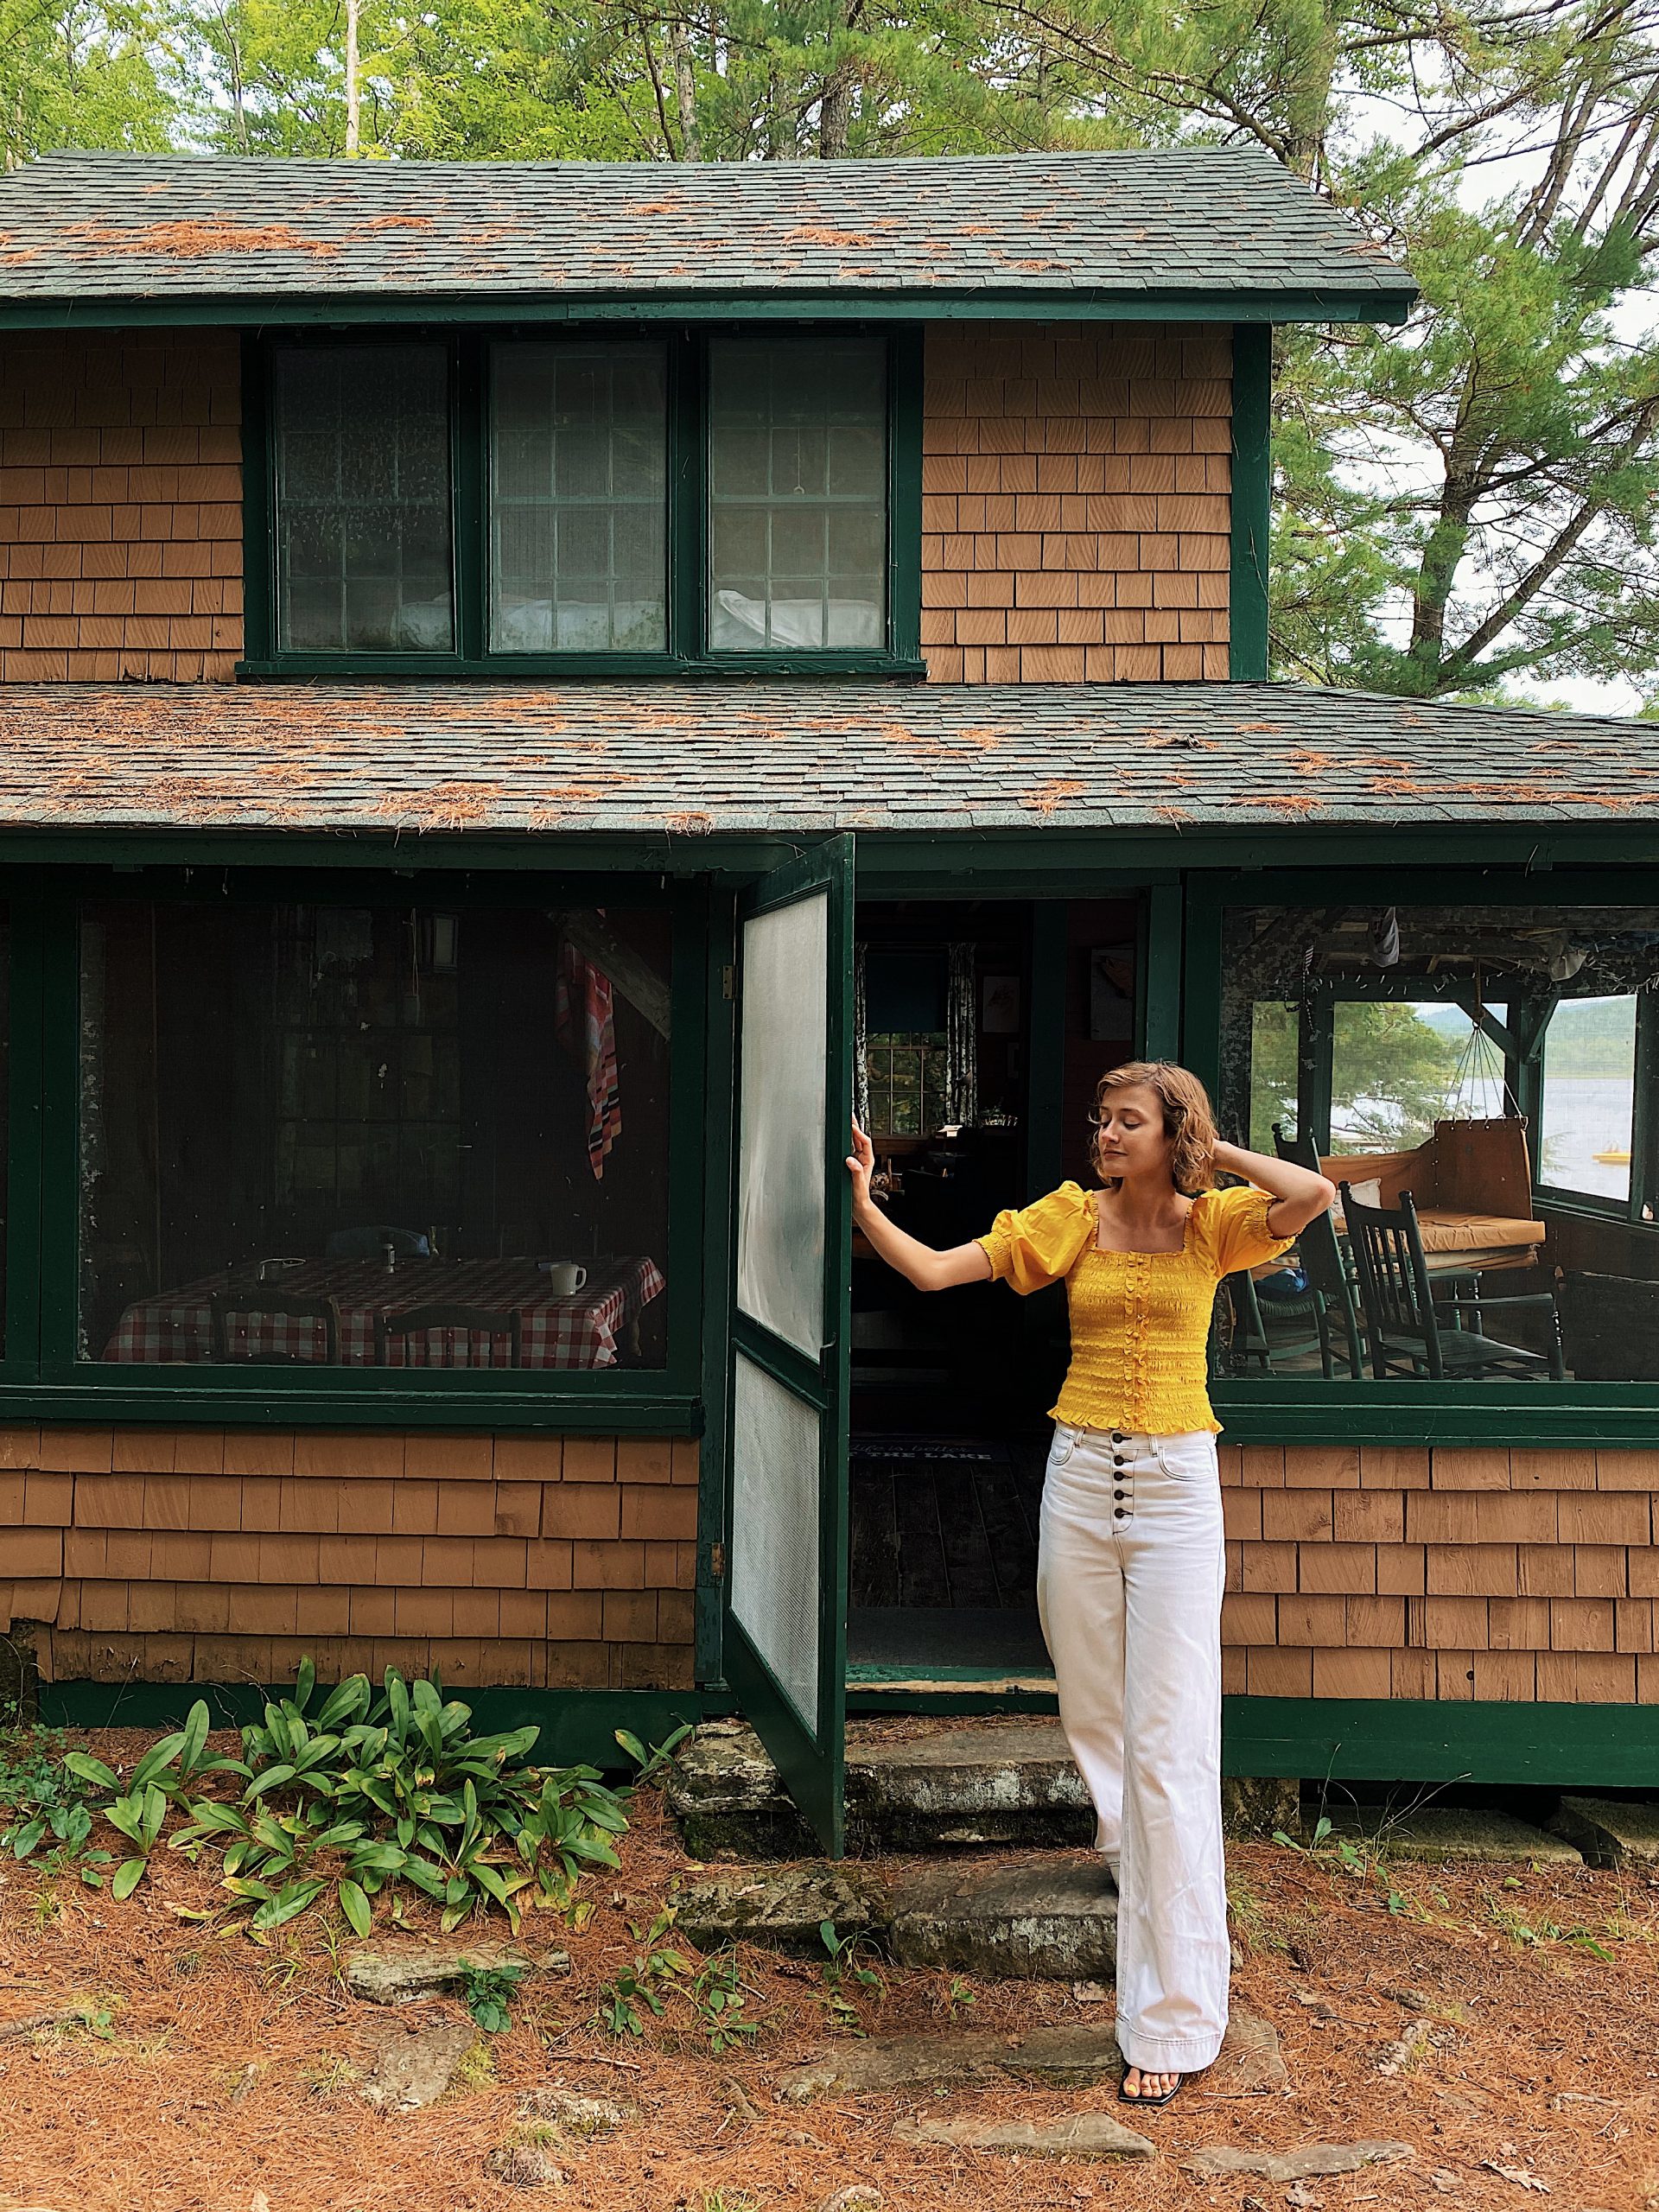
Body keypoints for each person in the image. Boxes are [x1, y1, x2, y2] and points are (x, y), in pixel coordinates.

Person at [847, 1061, 1335, 2107]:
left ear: (1173, 1135)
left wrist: (1216, 1155)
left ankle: (1173, 2014)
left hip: (1173, 1490)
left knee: (1172, 1743)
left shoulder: (1216, 1225)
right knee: (1089, 1693)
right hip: (1077, 1477)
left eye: (1127, 1121)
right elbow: (935, 1272)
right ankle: (1120, 1836)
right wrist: (860, 1209)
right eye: (1099, 1117)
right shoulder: (1071, 1218)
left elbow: (1315, 1195)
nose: (1104, 1134)